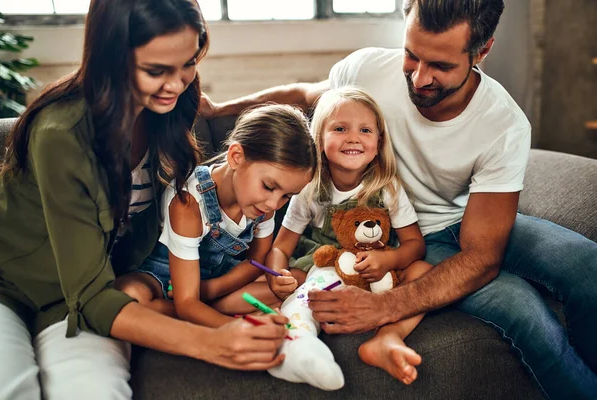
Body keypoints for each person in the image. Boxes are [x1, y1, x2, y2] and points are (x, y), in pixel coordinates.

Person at [199, 1, 597, 398]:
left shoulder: (503, 124)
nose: (420, 77)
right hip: (407, 238)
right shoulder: (369, 70)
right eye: (411, 55)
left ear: (483, 51)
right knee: (525, 312)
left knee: (587, 266)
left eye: (440, 66)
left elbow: (481, 256)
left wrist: (388, 306)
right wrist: (221, 109)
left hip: (470, 222)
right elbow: (304, 97)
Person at [0, 1, 289, 399]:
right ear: (110, 59)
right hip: (8, 287)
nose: (178, 83)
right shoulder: (61, 134)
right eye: (156, 71)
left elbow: (98, 293)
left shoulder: (171, 104)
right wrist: (213, 341)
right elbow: (92, 296)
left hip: (88, 295)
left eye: (188, 62)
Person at [262, 86, 433, 388]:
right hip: (325, 272)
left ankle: (387, 338)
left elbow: (414, 245)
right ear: (320, 138)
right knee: (306, 289)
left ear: (379, 142)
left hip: (376, 279)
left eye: (365, 130)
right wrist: (279, 274)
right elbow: (281, 246)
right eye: (340, 128)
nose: (353, 138)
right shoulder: (310, 189)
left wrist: (388, 258)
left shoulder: (387, 187)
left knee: (425, 273)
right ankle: (298, 341)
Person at [114, 103, 317, 327]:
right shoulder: (188, 203)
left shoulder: (263, 204)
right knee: (130, 296)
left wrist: (212, 290)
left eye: (287, 196)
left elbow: (257, 260)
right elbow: (186, 300)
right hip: (166, 280)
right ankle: (218, 311)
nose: (274, 204)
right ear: (236, 156)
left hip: (218, 279)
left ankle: (210, 309)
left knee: (298, 278)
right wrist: (235, 328)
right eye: (269, 187)